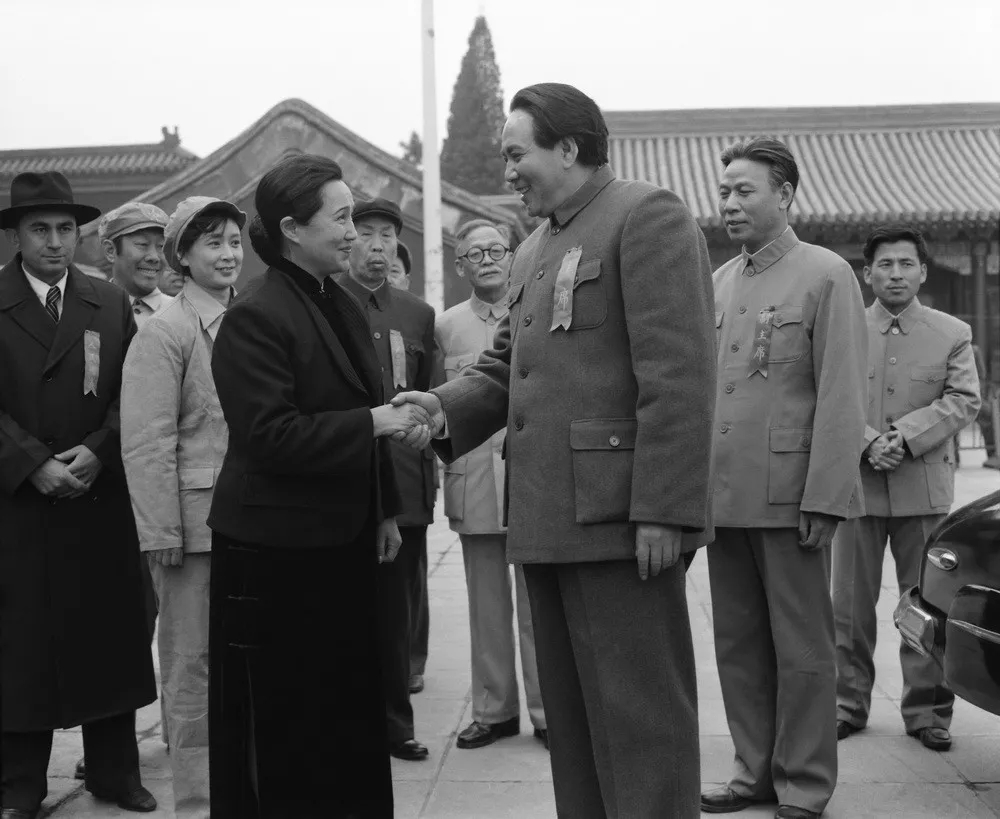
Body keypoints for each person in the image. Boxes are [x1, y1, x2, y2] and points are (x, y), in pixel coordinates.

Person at [394, 82, 716, 817]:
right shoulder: (535, 246)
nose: (508, 171)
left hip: (620, 523)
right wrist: (440, 406)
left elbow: (679, 378)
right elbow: (507, 366)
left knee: (641, 722)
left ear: (568, 148)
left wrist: (665, 510)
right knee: (573, 726)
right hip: (545, 518)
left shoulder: (646, 216)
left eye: (518, 154)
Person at [206, 154, 428, 818]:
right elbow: (269, 435)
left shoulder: (341, 302)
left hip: (343, 541)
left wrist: (384, 509)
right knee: (286, 721)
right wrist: (374, 422)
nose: (355, 232)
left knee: (346, 705)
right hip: (275, 552)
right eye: (342, 218)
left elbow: (363, 405)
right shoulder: (256, 314)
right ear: (291, 229)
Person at [701, 138, 868, 819]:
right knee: (738, 645)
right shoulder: (719, 281)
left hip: (791, 495)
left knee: (801, 650)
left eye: (745, 191)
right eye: (725, 192)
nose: (730, 203)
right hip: (723, 497)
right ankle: (753, 772)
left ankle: (803, 783)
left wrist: (827, 496)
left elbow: (842, 394)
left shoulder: (826, 273)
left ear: (786, 194)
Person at [0, 171, 157, 818]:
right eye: (39, 229)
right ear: (15, 236)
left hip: (98, 494)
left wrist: (99, 449)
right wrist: (31, 463)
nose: (55, 242)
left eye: (66, 229)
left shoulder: (109, 302)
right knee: (20, 645)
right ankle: (19, 785)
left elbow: (137, 392)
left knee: (108, 635)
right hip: (18, 501)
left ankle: (115, 773)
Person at [121, 196, 247, 819]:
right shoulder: (165, 331)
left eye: (234, 242)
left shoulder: (247, 321)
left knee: (243, 664)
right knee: (191, 667)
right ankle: (198, 802)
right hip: (191, 528)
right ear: (183, 255)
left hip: (251, 520)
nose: (228, 254)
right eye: (212, 243)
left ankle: (243, 793)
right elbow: (147, 441)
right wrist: (161, 532)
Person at [833, 225, 980, 753]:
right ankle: (846, 704)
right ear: (866, 273)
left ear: (922, 271)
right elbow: (824, 395)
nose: (895, 274)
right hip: (855, 487)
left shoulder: (952, 331)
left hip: (924, 490)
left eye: (905, 264)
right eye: (885, 264)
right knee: (848, 607)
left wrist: (903, 437)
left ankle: (928, 711)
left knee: (928, 606)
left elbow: (964, 399)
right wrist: (869, 442)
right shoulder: (841, 329)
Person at [436, 218, 548, 751]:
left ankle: (548, 713)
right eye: (474, 253)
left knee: (538, 605)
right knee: (486, 607)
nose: (487, 260)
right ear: (460, 266)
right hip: (475, 478)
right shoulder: (446, 327)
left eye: (496, 250)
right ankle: (493, 710)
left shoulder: (536, 311)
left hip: (532, 479)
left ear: (513, 255)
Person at [337, 197, 439, 760]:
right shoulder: (324, 304)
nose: (376, 245)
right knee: (343, 609)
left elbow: (431, 393)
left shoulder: (416, 314)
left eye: (386, 235)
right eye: (365, 233)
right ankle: (345, 723)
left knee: (398, 610)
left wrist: (428, 431)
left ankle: (396, 724)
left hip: (402, 479)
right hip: (343, 476)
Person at [101, 202, 174, 326]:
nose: (154, 257)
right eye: (142, 244)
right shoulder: (86, 311)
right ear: (110, 250)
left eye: (161, 246)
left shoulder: (184, 316)